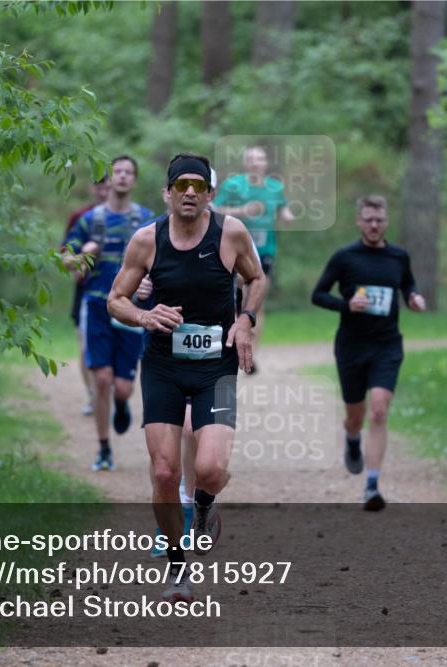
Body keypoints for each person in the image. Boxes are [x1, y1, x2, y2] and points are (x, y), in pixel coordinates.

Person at [108, 152, 266, 602]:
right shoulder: (146, 239)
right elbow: (115, 299)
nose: (190, 192)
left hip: (215, 366)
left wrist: (245, 321)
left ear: (210, 194)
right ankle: (178, 566)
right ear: (168, 193)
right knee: (163, 471)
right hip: (163, 365)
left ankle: (204, 505)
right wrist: (142, 315)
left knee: (211, 469)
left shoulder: (230, 232)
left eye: (199, 186)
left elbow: (256, 280)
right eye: (182, 186)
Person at [310, 195, 426, 512]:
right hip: (351, 345)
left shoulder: (398, 257)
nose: (374, 225)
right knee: (355, 415)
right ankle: (351, 438)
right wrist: (346, 305)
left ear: (386, 222)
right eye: (368, 220)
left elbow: (408, 286)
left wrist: (414, 298)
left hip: (387, 345)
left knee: (378, 410)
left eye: (379, 220)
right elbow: (317, 295)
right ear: (359, 222)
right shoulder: (345, 257)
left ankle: (372, 486)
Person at [62, 155, 154, 471]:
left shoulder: (146, 220)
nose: (123, 176)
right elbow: (65, 260)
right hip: (97, 306)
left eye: (130, 172)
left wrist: (149, 284)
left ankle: (121, 402)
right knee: (101, 379)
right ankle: (103, 449)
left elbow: (163, 263)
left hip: (130, 310)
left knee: (124, 387)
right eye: (118, 171)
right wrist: (83, 256)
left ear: (135, 180)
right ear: (110, 178)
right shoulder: (90, 220)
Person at [212, 146, 294, 372]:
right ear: (246, 163)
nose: (256, 163)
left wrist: (287, 215)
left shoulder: (274, 187)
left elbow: (282, 207)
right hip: (236, 250)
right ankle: (233, 344)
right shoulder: (234, 185)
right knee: (236, 298)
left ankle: (251, 356)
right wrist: (243, 211)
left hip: (265, 250)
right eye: (251, 159)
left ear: (266, 163)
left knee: (257, 301)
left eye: (260, 159)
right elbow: (215, 209)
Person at [62, 173, 111, 417]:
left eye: (108, 187)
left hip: (119, 292)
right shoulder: (80, 217)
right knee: (85, 347)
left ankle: (108, 393)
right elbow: (66, 258)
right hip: (87, 290)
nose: (104, 191)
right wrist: (85, 254)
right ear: (93, 188)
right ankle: (94, 395)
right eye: (100, 187)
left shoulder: (130, 219)